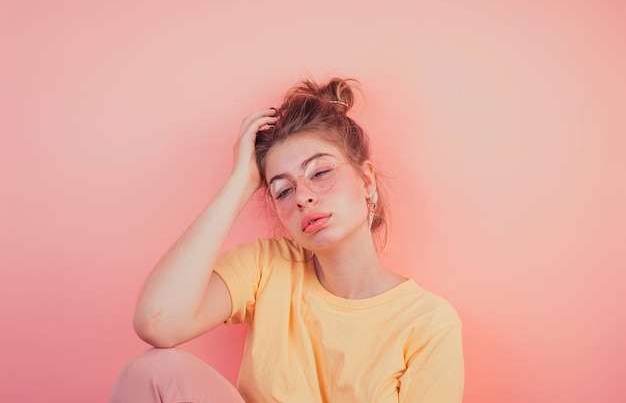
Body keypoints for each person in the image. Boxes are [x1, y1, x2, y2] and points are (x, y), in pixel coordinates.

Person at [109, 77, 464, 403]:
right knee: (154, 370)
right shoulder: (267, 266)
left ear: (366, 180)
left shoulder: (429, 322)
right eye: (282, 190)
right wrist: (241, 183)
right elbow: (157, 322)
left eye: (321, 172)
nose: (302, 197)